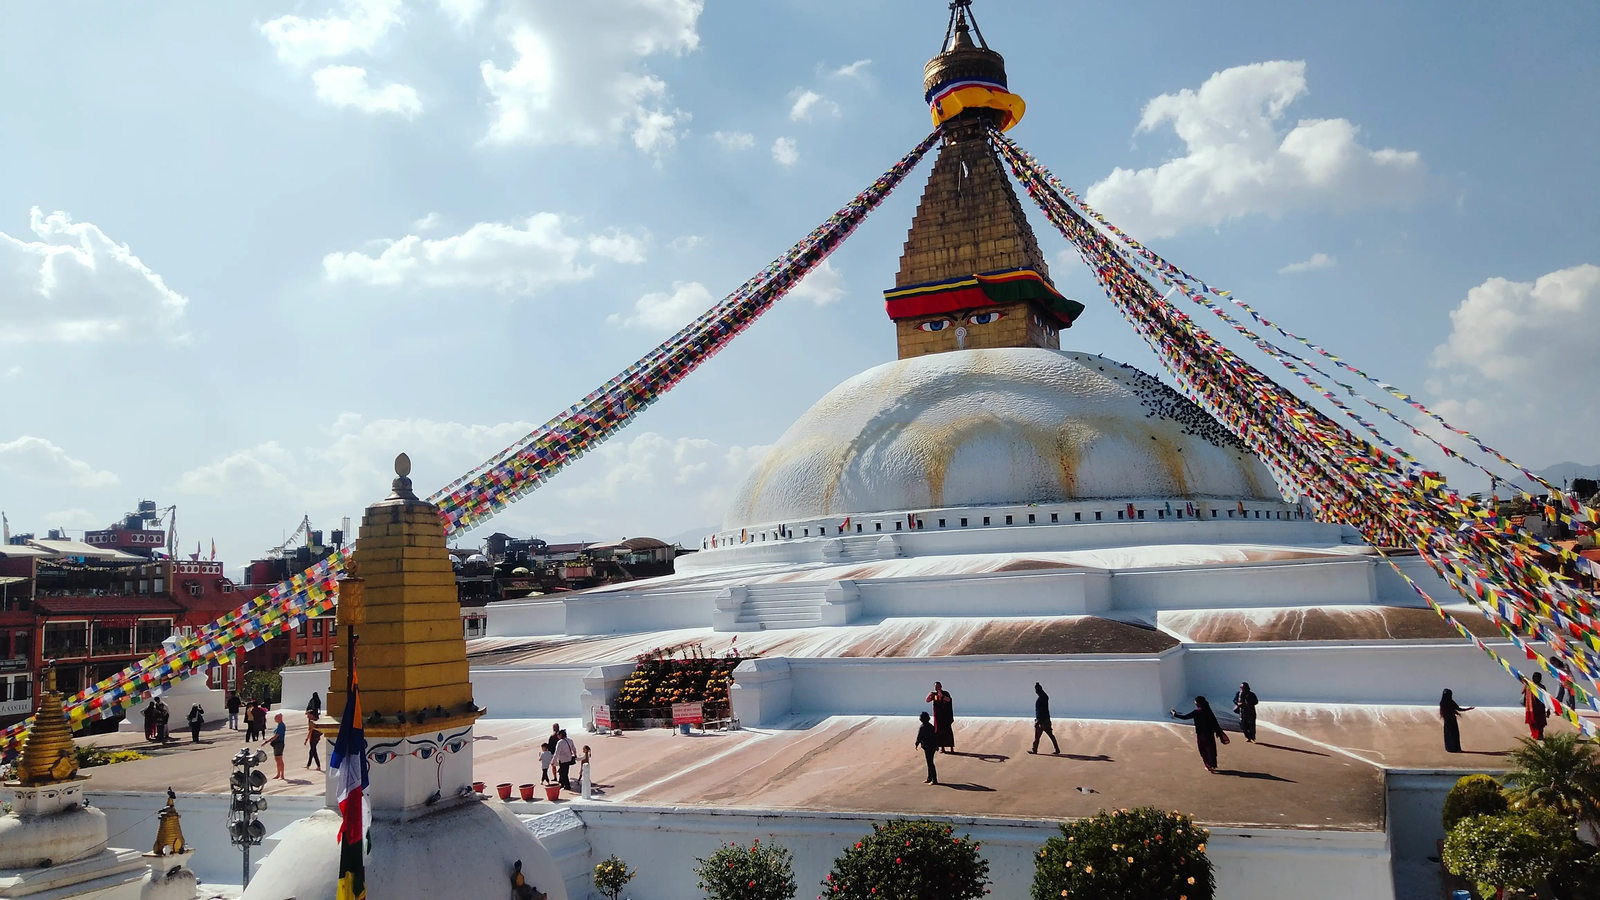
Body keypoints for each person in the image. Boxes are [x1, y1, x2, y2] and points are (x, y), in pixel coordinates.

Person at [1172, 696, 1227, 773]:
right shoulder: (1208, 710)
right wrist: (1217, 730)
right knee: (1211, 749)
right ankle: (1213, 765)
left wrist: (1175, 714)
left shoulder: (1197, 711)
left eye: (1195, 701)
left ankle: (1208, 765)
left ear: (1198, 703)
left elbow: (1185, 717)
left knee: (1203, 749)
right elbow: (1214, 721)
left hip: (1201, 734)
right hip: (1209, 733)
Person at [1439, 689, 1474, 753]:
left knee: (1448, 734)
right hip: (1452, 720)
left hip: (1446, 721)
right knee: (1454, 734)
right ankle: (1455, 748)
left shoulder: (1442, 703)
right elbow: (1459, 709)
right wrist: (1468, 709)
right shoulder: (1451, 702)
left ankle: (1449, 748)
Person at [1029, 682, 1060, 755]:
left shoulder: (1041, 699)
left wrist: (1038, 721)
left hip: (1042, 721)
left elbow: (1040, 711)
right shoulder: (1045, 697)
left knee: (1037, 736)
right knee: (1050, 735)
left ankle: (1034, 750)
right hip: (1046, 719)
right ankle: (1057, 749)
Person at [925, 682, 955, 753]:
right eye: (936, 687)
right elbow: (927, 700)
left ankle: (951, 748)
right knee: (938, 731)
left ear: (941, 686)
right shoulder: (934, 694)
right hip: (938, 716)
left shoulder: (945, 693)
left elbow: (949, 700)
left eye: (938, 686)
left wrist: (942, 696)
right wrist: (929, 695)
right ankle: (942, 748)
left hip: (945, 716)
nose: (937, 688)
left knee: (948, 731)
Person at [261, 712, 287, 780]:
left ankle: (282, 775)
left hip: (279, 743)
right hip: (277, 743)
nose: (275, 719)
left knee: (279, 759)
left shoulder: (281, 726)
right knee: (277, 759)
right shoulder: (279, 725)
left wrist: (266, 742)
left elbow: (276, 736)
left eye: (276, 718)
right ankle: (278, 774)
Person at [1523, 673, 1549, 740]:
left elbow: (1523, 692)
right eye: (1535, 677)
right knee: (1534, 722)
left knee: (1538, 722)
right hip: (1534, 707)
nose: (1536, 679)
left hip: (1536, 707)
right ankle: (1536, 735)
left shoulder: (1530, 685)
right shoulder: (1530, 685)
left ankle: (1538, 735)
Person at [915, 711, 939, 785]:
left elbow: (919, 737)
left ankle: (934, 780)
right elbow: (935, 736)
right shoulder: (931, 726)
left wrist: (916, 744)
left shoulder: (922, 727)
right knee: (929, 762)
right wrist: (937, 745)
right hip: (933, 746)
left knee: (930, 763)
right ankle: (929, 778)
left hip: (927, 746)